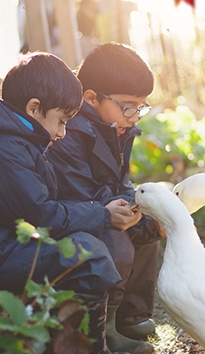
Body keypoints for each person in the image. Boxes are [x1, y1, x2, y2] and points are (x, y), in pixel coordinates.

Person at [0, 52, 143, 354]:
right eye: (61, 120)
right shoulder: (0, 148)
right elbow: (40, 214)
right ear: (34, 108)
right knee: (88, 255)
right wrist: (102, 215)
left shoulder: (11, 140)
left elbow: (38, 209)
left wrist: (98, 215)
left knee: (85, 246)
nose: (62, 132)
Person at [47, 43, 162, 354]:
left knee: (148, 229)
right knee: (117, 241)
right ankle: (105, 327)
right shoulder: (69, 133)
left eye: (140, 106)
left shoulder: (118, 127)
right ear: (91, 98)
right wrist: (115, 209)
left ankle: (131, 315)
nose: (134, 116)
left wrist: (140, 204)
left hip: (100, 206)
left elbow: (118, 182)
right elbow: (75, 190)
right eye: (127, 105)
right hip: (74, 216)